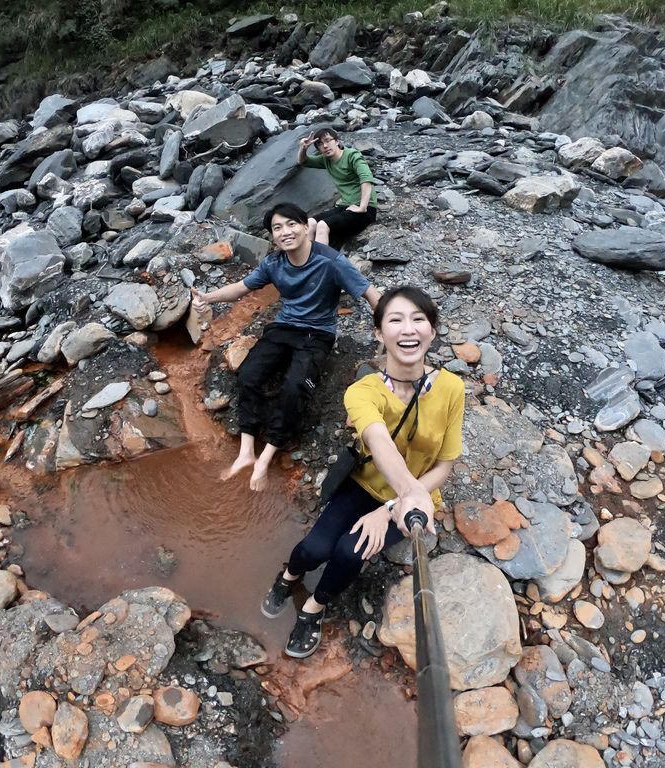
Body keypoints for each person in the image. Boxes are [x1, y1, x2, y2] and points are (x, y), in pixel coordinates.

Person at [261, 285, 466, 659]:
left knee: (350, 553)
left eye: (419, 319)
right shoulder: (362, 391)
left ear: (432, 332)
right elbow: (378, 440)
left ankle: (314, 608)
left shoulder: (452, 388)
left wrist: (393, 506)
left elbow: (445, 464)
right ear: (378, 333)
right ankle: (289, 575)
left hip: (415, 494)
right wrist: (403, 497)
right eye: (396, 320)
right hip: (367, 486)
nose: (409, 329)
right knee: (313, 548)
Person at [191, 202, 381, 492]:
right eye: (277, 228)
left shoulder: (330, 261)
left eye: (291, 224)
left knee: (294, 388)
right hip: (283, 327)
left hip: (317, 334)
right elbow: (242, 287)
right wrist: (207, 297)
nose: (285, 232)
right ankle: (245, 452)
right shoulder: (274, 263)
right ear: (272, 236)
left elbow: (370, 294)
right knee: (249, 375)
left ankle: (265, 459)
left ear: (306, 227)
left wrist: (391, 331)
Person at [297, 127, 378, 250]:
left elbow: (366, 179)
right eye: (320, 144)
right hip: (346, 206)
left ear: (337, 141)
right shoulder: (326, 160)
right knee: (311, 223)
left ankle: (321, 265)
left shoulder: (352, 156)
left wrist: (362, 207)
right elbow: (303, 161)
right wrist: (303, 148)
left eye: (328, 140)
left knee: (323, 225)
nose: (325, 146)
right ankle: (305, 259)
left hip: (366, 210)